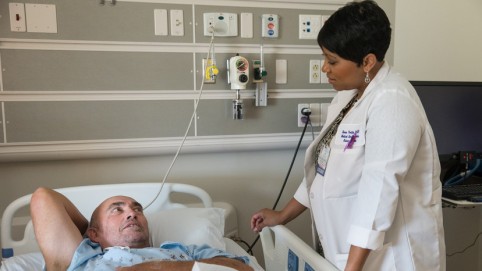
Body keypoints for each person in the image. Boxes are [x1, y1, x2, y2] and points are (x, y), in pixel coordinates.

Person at [251, 1, 446, 270]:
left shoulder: (393, 102)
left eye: (332, 61)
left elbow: (378, 191)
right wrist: (283, 215)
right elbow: (324, 169)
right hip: (348, 250)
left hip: (392, 257)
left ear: (367, 61)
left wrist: (352, 268)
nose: (324, 69)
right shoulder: (349, 96)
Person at [30, 187, 253, 271]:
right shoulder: (83, 260)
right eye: (117, 210)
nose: (132, 213)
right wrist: (91, 230)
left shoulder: (186, 251)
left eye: (137, 209)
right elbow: (43, 197)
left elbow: (242, 269)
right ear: (94, 234)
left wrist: (153, 267)